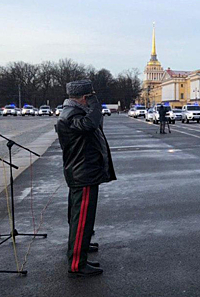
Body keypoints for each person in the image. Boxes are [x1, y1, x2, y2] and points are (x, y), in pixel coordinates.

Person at [57, 80, 116, 277]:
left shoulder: (74, 112)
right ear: (84, 97)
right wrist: (95, 104)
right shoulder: (73, 114)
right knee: (81, 218)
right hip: (83, 172)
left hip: (83, 171)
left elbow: (96, 124)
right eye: (90, 96)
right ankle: (76, 264)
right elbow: (91, 124)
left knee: (80, 216)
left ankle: (81, 245)